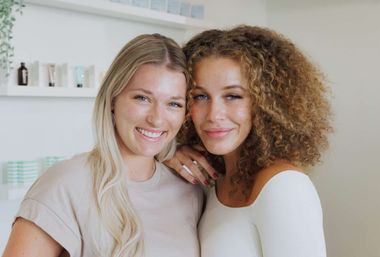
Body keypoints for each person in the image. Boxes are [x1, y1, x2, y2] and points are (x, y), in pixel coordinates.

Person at [2, 34, 203, 257]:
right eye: (142, 98)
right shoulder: (64, 185)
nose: (157, 119)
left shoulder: (189, 190)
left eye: (173, 104)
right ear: (113, 100)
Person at [165, 25, 332, 257]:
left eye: (233, 96)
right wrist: (168, 151)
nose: (214, 114)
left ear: (265, 104)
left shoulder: (285, 187)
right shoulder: (216, 176)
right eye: (200, 96)